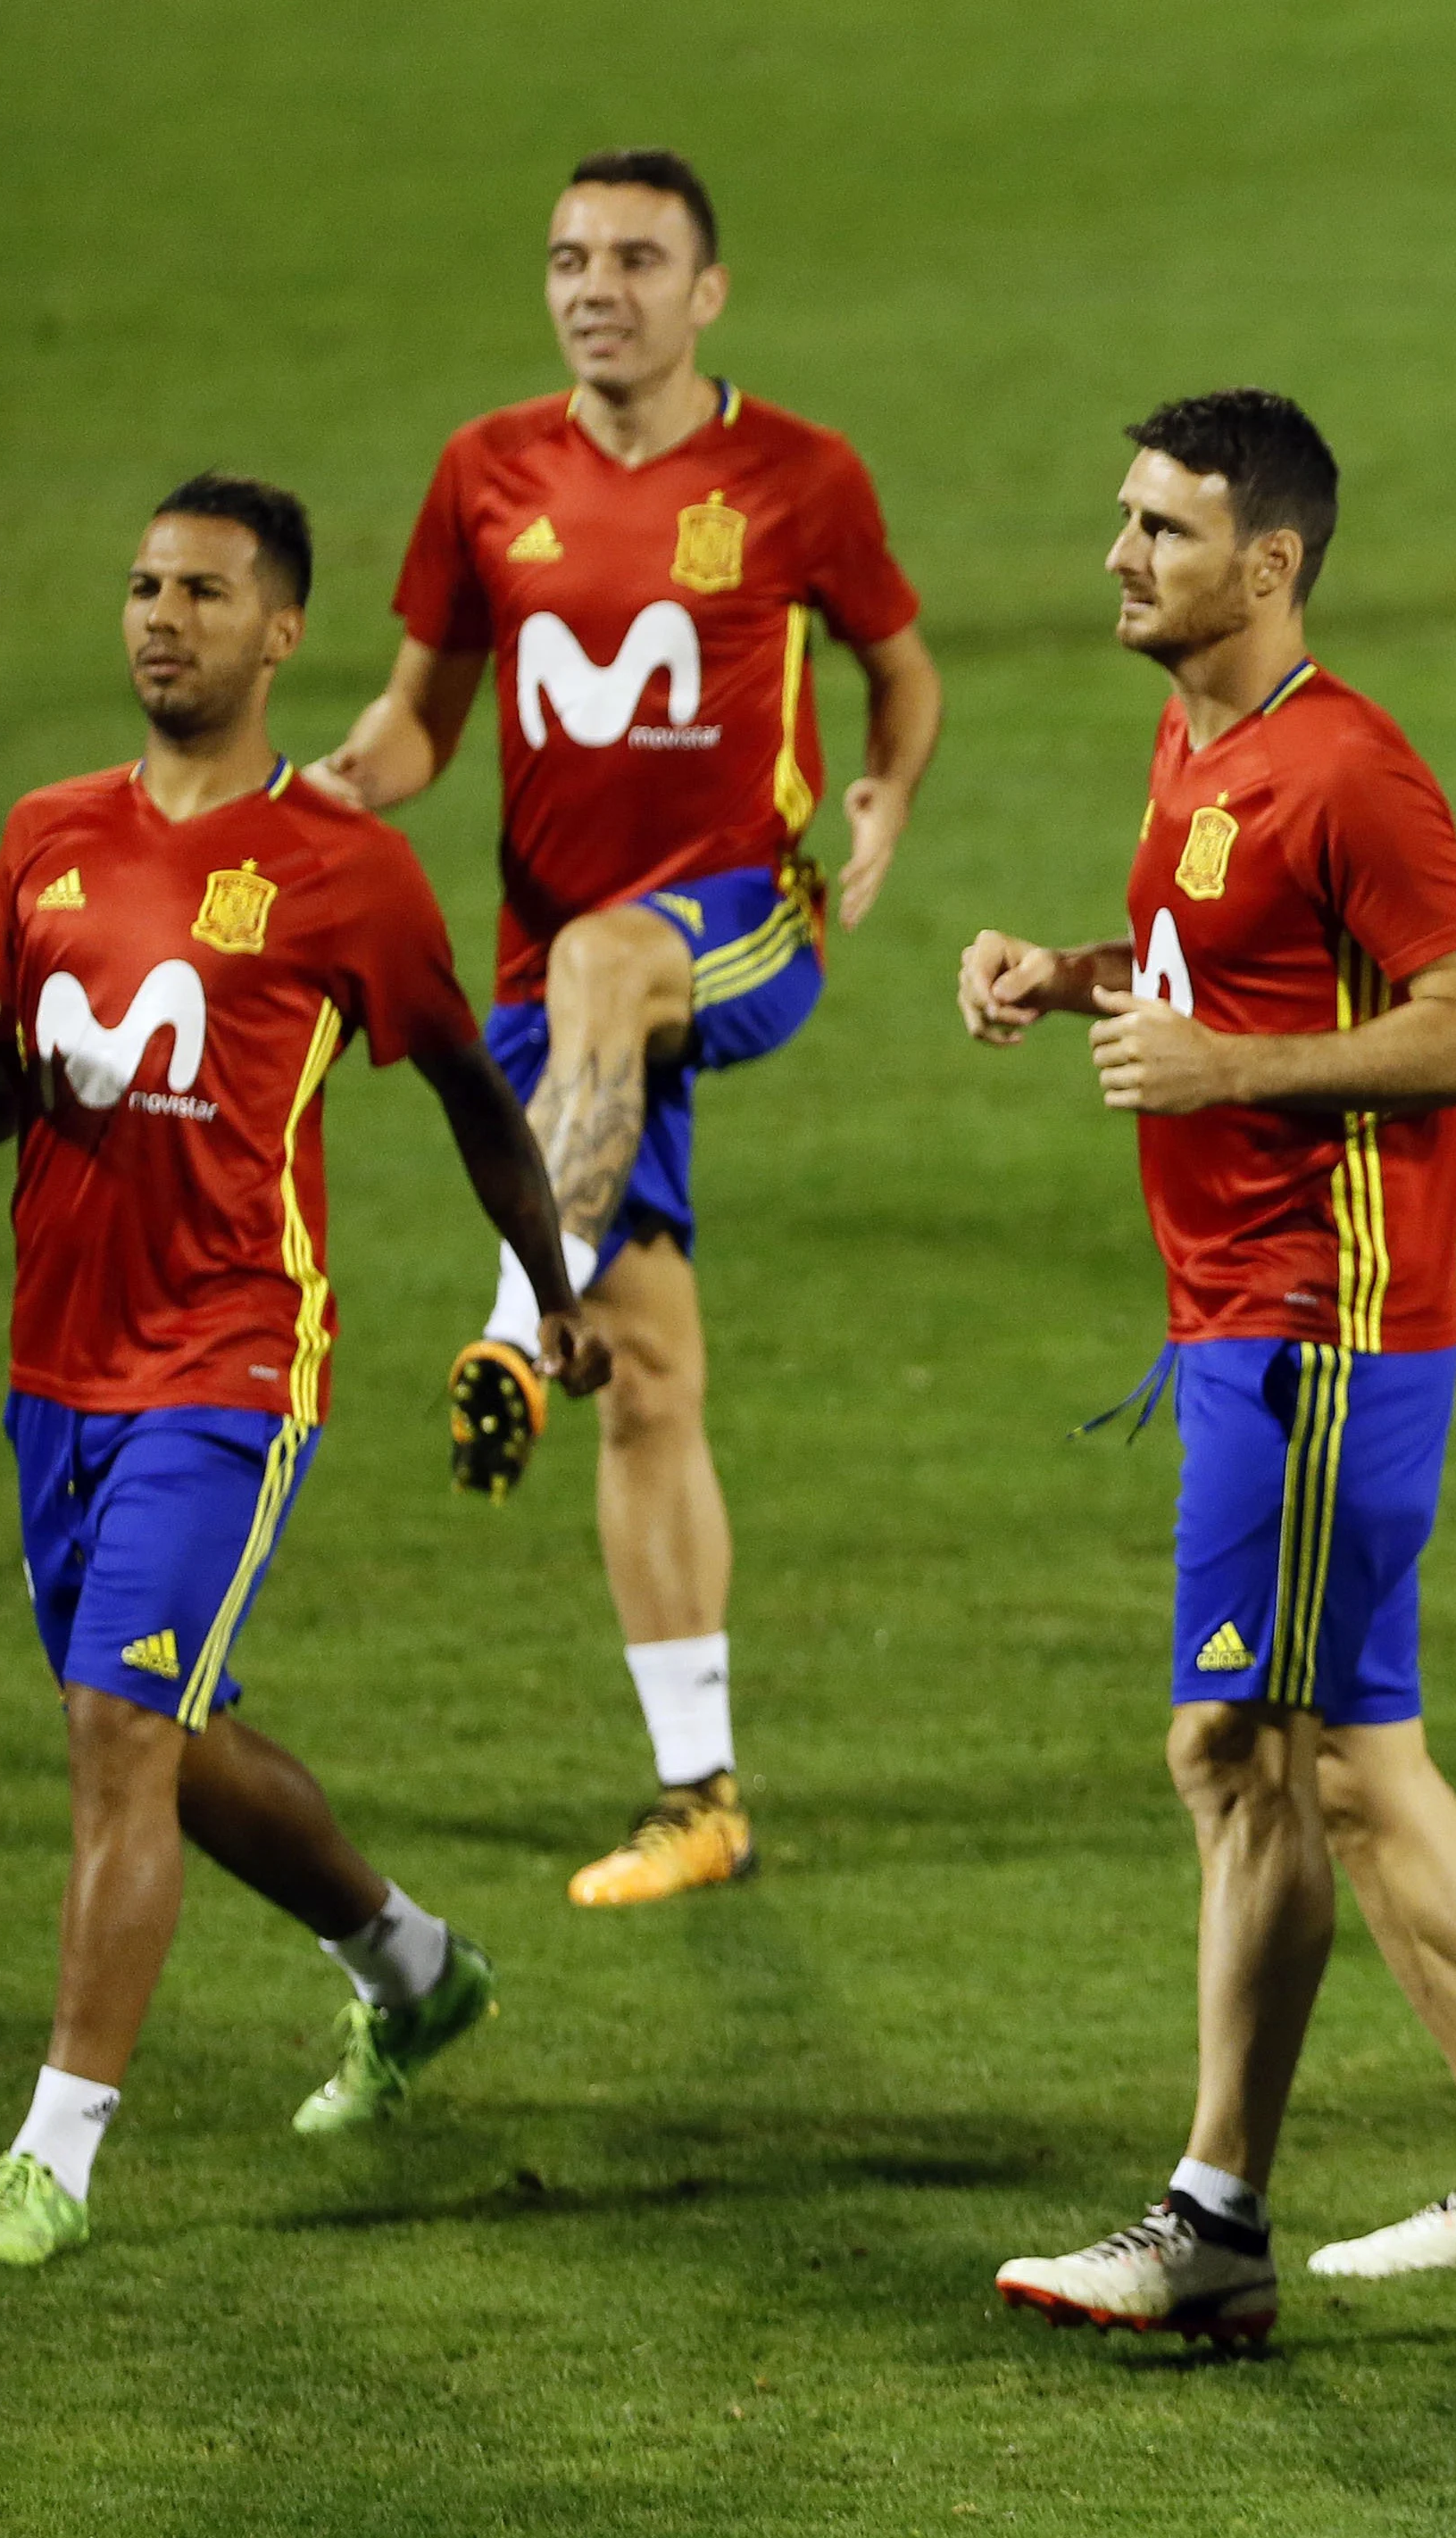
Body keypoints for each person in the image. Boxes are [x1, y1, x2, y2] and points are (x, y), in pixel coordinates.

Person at [965, 390, 1456, 2341]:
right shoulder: (1198, 740)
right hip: (1250, 1329)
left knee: (1243, 1755)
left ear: (1270, 563)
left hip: (1321, 1334)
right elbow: (1229, 959)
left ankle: (1215, 2219)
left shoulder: (1347, 769)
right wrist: (1076, 971)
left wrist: (1225, 1073)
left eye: (1161, 529)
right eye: (1122, 518)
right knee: (1348, 1757)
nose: (1117, 554)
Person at [311, 149, 944, 1906]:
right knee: (648, 1380)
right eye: (571, 258)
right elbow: (421, 718)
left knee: (606, 961)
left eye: (639, 259)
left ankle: (515, 1320)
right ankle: (703, 1800)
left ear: (707, 291)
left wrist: (885, 791)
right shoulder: (482, 472)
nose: (599, 285)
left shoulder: (799, 477)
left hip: (744, 931)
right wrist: (352, 782)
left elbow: (902, 662)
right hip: (549, 1000)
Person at [0, 479, 609, 2268]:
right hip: (59, 1364)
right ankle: (414, 1970)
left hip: (236, 1362)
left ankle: (56, 2150)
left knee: (116, 1733)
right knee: (161, 1735)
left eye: (203, 591)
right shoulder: (41, 839)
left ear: (282, 636)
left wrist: (550, 1291)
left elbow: (480, 1100)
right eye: (139, 584)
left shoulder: (345, 870)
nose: (159, 616)